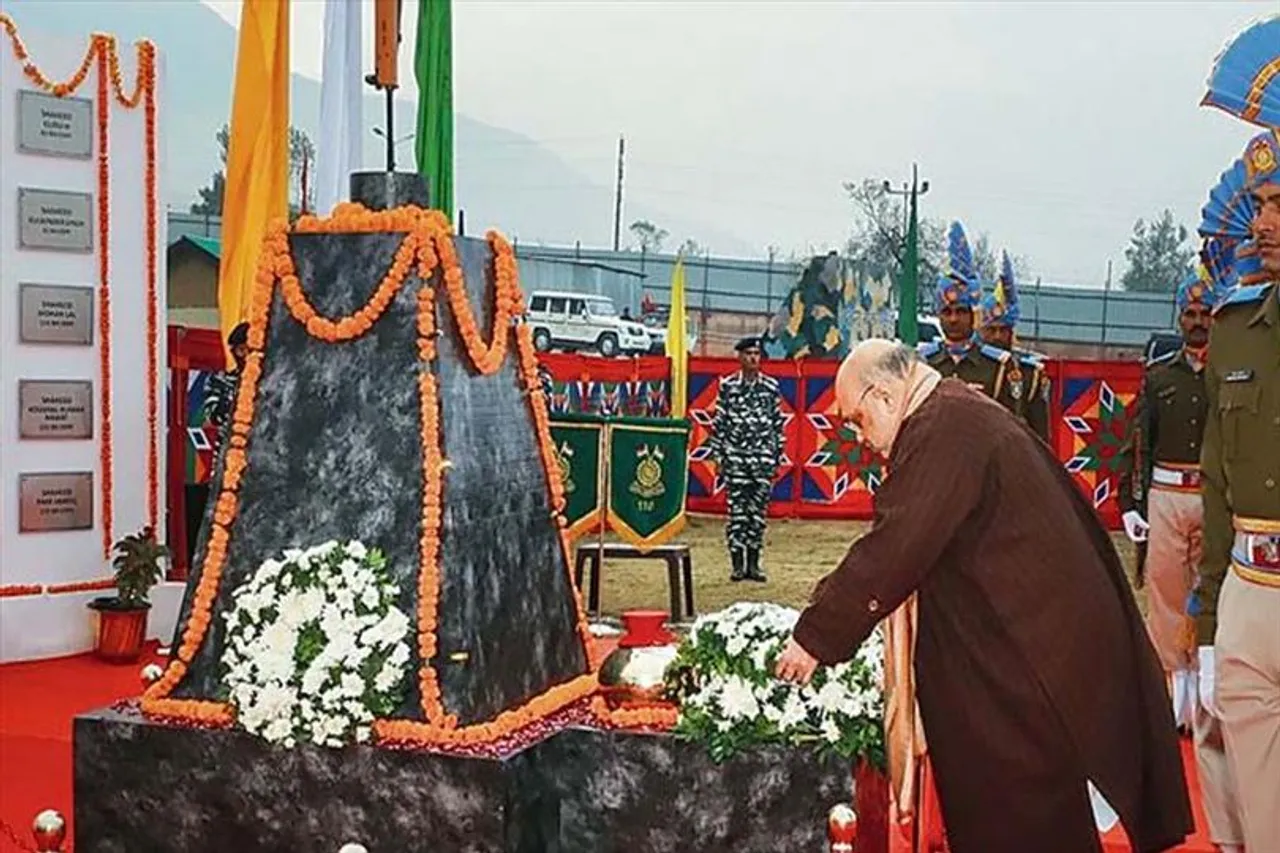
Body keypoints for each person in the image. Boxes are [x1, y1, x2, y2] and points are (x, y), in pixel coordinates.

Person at [774, 339, 1193, 853]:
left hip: (1029, 664)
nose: (863, 438)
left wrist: (815, 636)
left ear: (884, 395)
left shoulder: (944, 428)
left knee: (1023, 819)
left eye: (859, 419)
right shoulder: (952, 414)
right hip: (1027, 649)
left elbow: (897, 546)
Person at [1117, 266, 1244, 851]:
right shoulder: (1159, 376)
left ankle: (1209, 692)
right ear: (1179, 320)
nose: (1196, 323)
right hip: (1167, 494)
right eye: (1189, 315)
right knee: (1167, 593)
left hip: (1212, 496)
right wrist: (1130, 500)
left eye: (1204, 315)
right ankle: (1175, 695)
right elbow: (1135, 440)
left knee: (1210, 592)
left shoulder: (1229, 375)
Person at [1192, 129, 1280, 853]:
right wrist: (1209, 625)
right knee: (1259, 818)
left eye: (1279, 203)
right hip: (1250, 589)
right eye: (1258, 204)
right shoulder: (1234, 329)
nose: (1263, 222)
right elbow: (1216, 478)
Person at [706, 335, 784, 583]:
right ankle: (738, 565)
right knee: (737, 513)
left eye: (757, 354)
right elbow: (719, 424)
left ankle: (754, 564)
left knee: (757, 514)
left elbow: (777, 425)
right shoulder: (728, 387)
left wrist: (777, 458)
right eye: (748, 354)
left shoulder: (770, 387)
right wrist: (718, 456)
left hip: (761, 460)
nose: (753, 358)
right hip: (736, 459)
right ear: (739, 357)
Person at [919, 222, 1018, 412]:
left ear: (974, 314)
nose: (953, 319)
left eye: (961, 311)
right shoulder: (923, 363)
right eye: (947, 312)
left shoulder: (997, 367)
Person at [978, 251, 1051, 442]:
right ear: (981, 330)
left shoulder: (1029, 373)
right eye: (991, 330)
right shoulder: (972, 363)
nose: (997, 336)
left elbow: (1040, 429)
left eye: (1004, 330)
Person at [204, 321, 249, 445]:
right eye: (241, 350)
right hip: (230, 451)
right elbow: (214, 418)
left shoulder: (272, 381)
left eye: (250, 350)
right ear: (233, 352)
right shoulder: (220, 380)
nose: (246, 355)